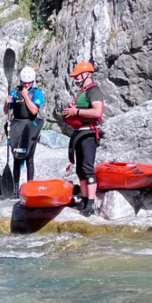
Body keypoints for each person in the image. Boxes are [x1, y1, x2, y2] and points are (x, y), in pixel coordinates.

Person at [61, 61, 105, 216]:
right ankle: (85, 200)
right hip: (79, 133)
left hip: (88, 134)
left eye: (78, 76)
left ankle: (90, 204)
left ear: (87, 74)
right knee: (80, 170)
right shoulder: (83, 91)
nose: (76, 79)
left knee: (87, 168)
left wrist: (76, 112)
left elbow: (97, 112)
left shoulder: (94, 91)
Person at [3, 66, 45, 197]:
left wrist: (26, 96)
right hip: (17, 125)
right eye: (24, 83)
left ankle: (30, 187)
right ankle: (15, 189)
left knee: (29, 158)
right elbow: (6, 112)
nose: (26, 85)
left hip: (30, 126)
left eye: (29, 83)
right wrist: (7, 103)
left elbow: (34, 111)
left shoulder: (36, 93)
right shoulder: (15, 92)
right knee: (16, 156)